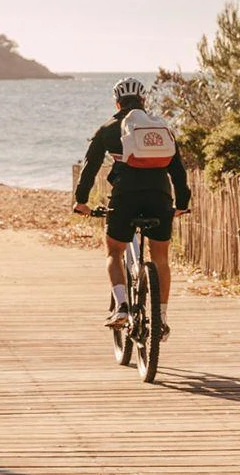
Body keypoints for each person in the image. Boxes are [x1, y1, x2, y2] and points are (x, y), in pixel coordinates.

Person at [73, 77, 190, 340]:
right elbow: (178, 170)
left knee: (114, 250)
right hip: (160, 197)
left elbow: (90, 167)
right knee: (161, 258)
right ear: (143, 100)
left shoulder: (108, 128)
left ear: (116, 102)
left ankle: (123, 307)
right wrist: (182, 204)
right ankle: (161, 318)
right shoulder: (160, 129)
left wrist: (81, 201)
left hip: (125, 197)